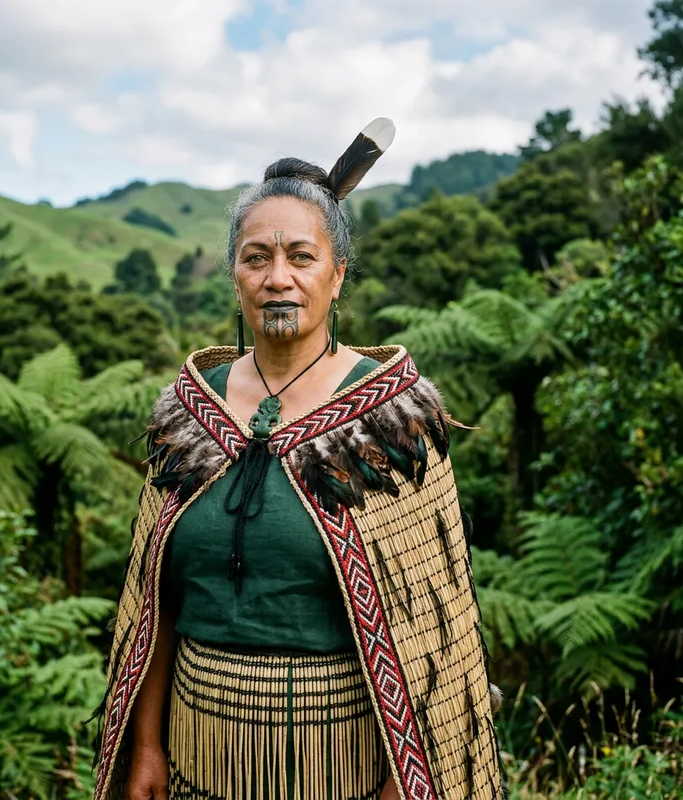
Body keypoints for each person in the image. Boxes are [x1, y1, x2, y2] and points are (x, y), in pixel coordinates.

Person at [91, 119, 504, 800]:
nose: (277, 278)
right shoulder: (189, 412)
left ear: (337, 276)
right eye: (256, 258)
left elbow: (434, 635)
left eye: (301, 257)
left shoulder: (390, 423)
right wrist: (146, 747)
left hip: (344, 766)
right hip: (196, 758)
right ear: (235, 277)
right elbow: (156, 602)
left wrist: (406, 784)